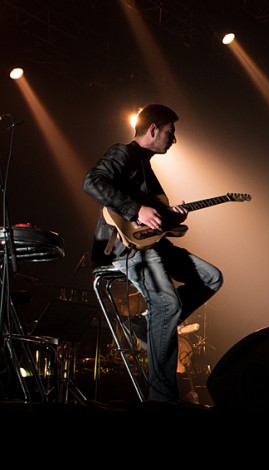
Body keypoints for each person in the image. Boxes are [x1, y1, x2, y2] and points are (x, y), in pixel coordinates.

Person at [82, 104, 223, 402]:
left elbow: (155, 219)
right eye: (171, 133)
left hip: (154, 244)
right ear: (154, 130)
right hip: (124, 247)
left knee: (211, 278)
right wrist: (137, 209)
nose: (174, 140)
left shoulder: (146, 166)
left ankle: (149, 324)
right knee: (168, 305)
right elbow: (92, 181)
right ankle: (161, 398)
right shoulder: (123, 152)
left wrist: (173, 217)